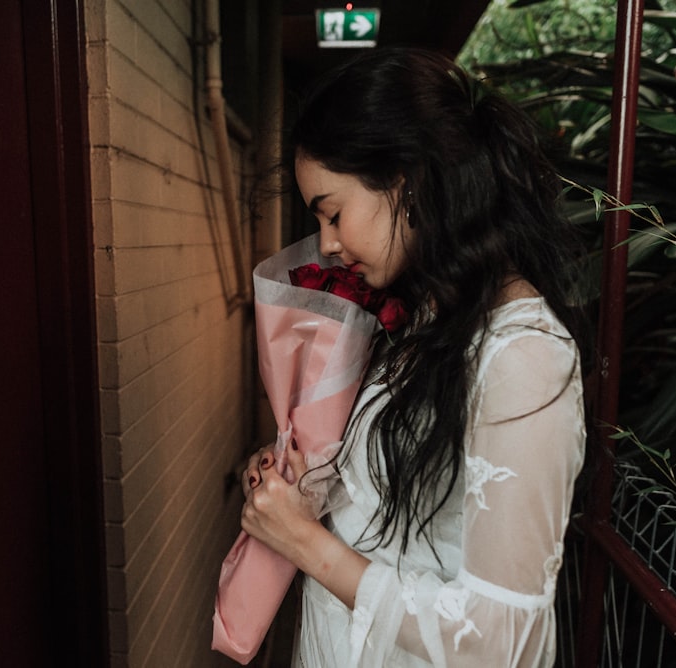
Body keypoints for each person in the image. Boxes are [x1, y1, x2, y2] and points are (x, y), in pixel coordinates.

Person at [241, 48, 587, 667]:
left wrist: (301, 541)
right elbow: (395, 517)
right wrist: (308, 486)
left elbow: (499, 641)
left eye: (334, 212)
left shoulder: (524, 357)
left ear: (410, 180)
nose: (328, 244)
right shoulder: (430, 319)